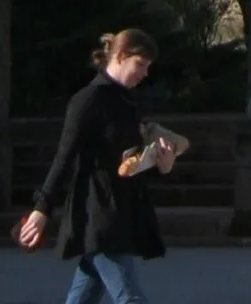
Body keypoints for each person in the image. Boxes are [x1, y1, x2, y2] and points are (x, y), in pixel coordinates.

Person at [18, 25, 176, 300]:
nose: (145, 73)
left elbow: (130, 161)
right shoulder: (87, 100)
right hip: (99, 213)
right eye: (140, 64)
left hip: (121, 210)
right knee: (130, 298)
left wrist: (162, 165)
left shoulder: (128, 101)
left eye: (148, 66)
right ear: (121, 55)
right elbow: (64, 157)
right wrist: (42, 208)